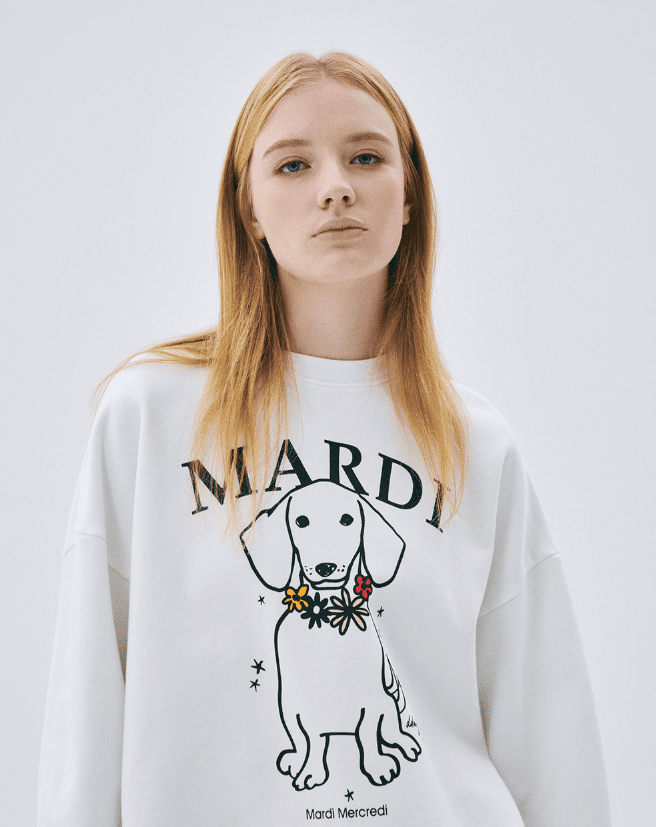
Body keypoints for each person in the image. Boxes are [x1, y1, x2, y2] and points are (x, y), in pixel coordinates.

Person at [36, 50, 612, 827]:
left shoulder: (473, 441)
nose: (335, 186)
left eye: (366, 157)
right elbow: (86, 709)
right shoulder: (151, 413)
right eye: (293, 164)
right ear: (249, 210)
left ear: (409, 196)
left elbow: (549, 738)